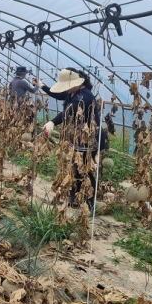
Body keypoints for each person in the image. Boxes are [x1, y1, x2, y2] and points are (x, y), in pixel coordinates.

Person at [40, 68, 107, 207]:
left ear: (77, 83)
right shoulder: (73, 92)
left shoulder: (84, 96)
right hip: (78, 138)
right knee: (75, 167)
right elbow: (58, 94)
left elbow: (69, 110)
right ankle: (75, 197)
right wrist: (43, 86)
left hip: (89, 139)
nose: (66, 89)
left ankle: (90, 202)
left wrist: (52, 122)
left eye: (67, 86)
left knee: (84, 170)